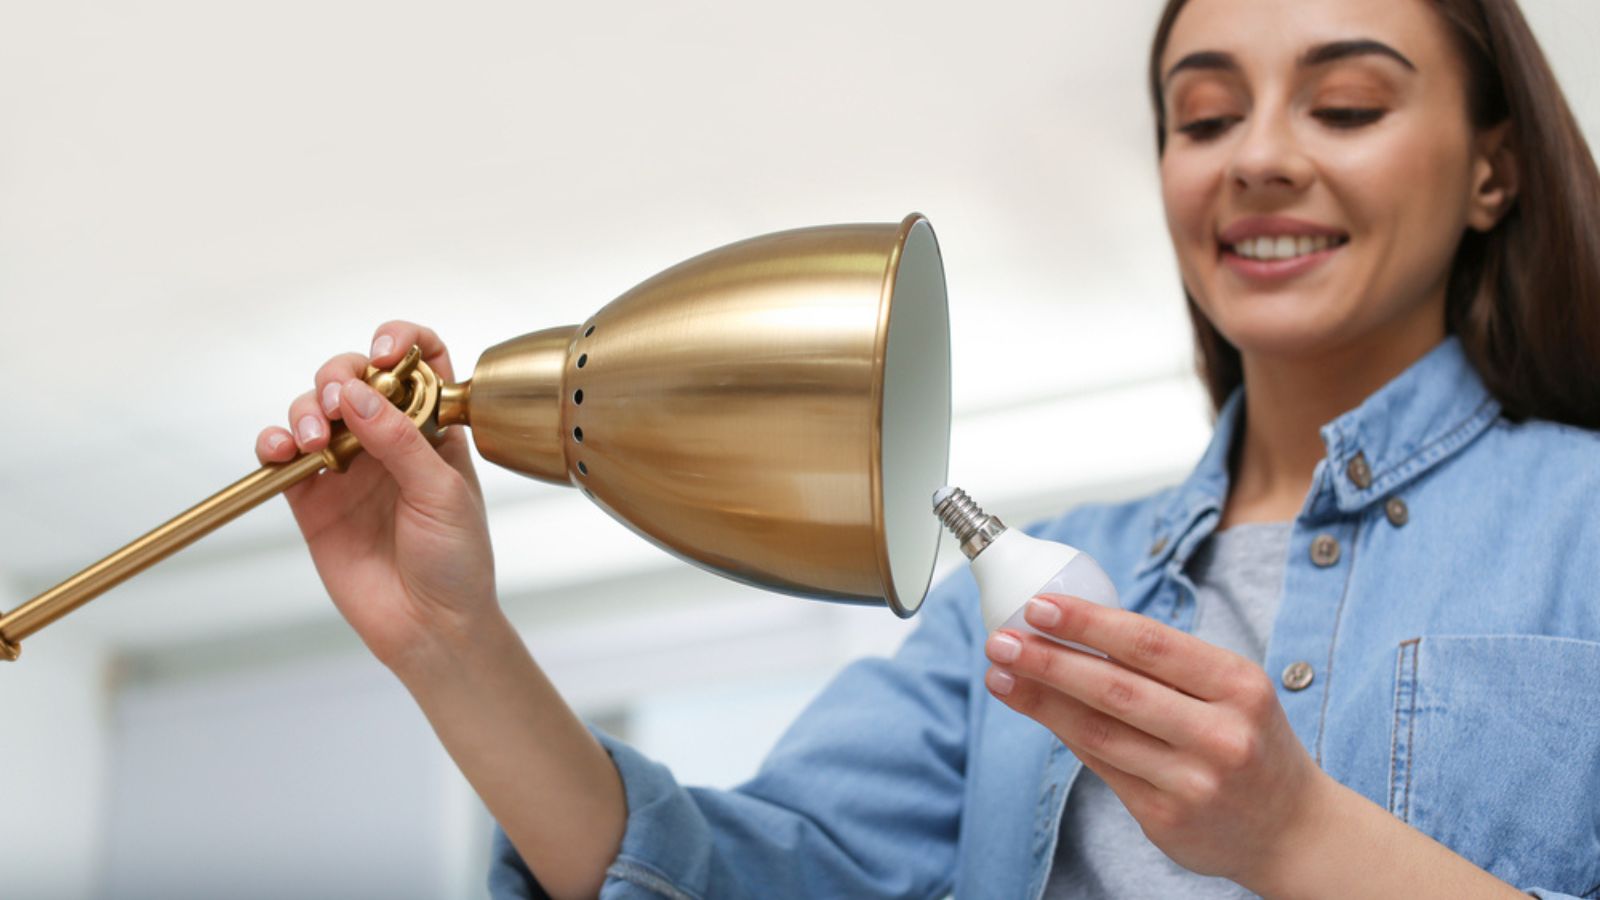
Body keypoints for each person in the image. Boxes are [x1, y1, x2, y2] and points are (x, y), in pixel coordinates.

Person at [256, 0, 1600, 897]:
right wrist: (450, 641)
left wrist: (1301, 837)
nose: (1253, 158)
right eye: (1201, 118)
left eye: (1346, 107)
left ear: (1494, 168)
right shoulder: (1032, 615)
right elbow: (740, 877)